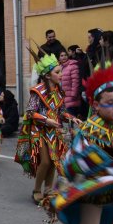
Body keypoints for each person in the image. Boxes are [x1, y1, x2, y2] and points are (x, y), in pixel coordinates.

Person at [42, 65, 113, 224]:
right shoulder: (89, 131)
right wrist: (105, 171)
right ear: (95, 105)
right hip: (94, 191)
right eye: (110, 103)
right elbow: (75, 162)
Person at [15, 49, 82, 204]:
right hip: (38, 130)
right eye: (58, 72)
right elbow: (30, 112)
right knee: (45, 161)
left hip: (54, 131)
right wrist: (46, 120)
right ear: (47, 75)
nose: (61, 74)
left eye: (61, 71)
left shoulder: (60, 92)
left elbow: (62, 111)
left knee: (54, 161)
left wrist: (73, 119)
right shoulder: (37, 91)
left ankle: (49, 190)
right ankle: (36, 190)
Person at [58, 48, 81, 117]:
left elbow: (75, 81)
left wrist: (73, 95)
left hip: (71, 97)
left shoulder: (72, 66)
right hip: (62, 98)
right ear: (59, 58)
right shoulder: (59, 67)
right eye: (61, 56)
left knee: (72, 118)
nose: (64, 57)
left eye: (65, 55)